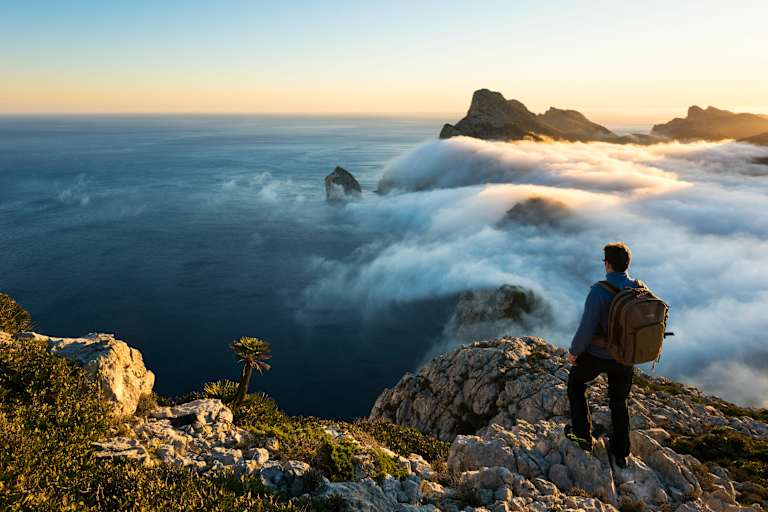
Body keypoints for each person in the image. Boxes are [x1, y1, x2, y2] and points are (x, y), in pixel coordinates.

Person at [566, 242, 638, 469]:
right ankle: (621, 453)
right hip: (625, 357)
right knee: (619, 401)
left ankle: (582, 437)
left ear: (607, 264)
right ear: (627, 264)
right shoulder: (638, 288)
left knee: (575, 384)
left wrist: (574, 352)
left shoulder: (599, 291)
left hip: (597, 356)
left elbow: (586, 328)